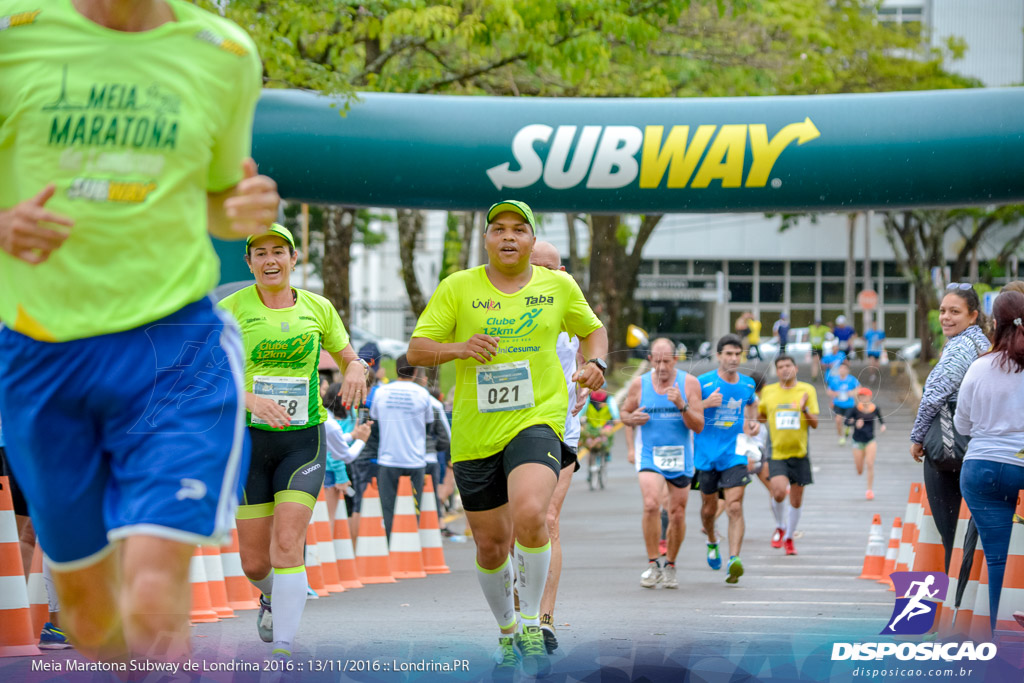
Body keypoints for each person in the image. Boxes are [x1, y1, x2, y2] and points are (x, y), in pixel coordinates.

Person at [0, 0, 281, 664]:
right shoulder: (14, 33)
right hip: (43, 352)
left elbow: (219, 196)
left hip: (172, 346)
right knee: (93, 621)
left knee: (154, 602)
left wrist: (241, 209)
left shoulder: (224, 52)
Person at [407, 199, 607, 679]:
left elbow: (593, 332)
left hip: (537, 417)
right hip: (477, 430)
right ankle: (507, 631)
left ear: (532, 240)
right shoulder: (459, 287)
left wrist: (595, 365)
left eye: (520, 229)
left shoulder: (558, 286)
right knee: (492, 546)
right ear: (487, 239)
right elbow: (417, 348)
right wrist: (459, 348)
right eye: (499, 229)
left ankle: (535, 622)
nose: (509, 237)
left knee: (533, 513)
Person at [219, 224, 368, 660]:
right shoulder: (228, 310)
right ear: (249, 263)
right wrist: (247, 397)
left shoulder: (319, 308)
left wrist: (356, 365)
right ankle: (271, 596)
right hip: (248, 443)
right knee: (255, 563)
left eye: (278, 252)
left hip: (303, 441)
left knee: (288, 542)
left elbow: (345, 354)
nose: (270, 260)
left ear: (294, 258)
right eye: (260, 253)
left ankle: (283, 648)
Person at [528, 240, 587, 655]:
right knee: (515, 524)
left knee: (548, 518)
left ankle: (545, 618)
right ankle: (519, 608)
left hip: (562, 425)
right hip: (511, 423)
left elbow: (590, 347)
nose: (547, 277)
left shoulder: (571, 304)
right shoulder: (503, 305)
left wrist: (587, 376)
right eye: (538, 269)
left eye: (553, 270)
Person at [954, 290, 1024, 630]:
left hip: (981, 470)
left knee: (998, 558)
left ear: (994, 324)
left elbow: (962, 424)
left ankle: (1002, 638)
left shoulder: (979, 367)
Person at [910, 283, 990, 572]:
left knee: (951, 531)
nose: (946, 317)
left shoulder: (961, 346)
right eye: (943, 310)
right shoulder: (983, 344)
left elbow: (934, 395)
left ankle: (955, 603)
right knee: (971, 532)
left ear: (973, 315)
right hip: (977, 445)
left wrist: (917, 438)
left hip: (949, 449)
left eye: (955, 311)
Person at [620, 338, 705, 589]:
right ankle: (653, 563)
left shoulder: (689, 383)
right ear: (650, 360)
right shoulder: (639, 385)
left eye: (666, 361)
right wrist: (631, 418)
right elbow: (625, 413)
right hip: (650, 455)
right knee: (650, 504)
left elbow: (698, 425)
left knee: (677, 514)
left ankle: (670, 564)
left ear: (675, 360)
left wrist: (682, 405)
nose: (661, 367)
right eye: (656, 361)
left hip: (681, 456)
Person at [694, 335, 759, 584]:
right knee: (709, 510)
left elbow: (752, 406)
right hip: (706, 455)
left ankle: (734, 559)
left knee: (734, 506)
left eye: (737, 354)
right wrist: (705, 403)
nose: (733, 359)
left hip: (735, 454)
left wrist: (752, 424)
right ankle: (712, 540)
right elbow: (686, 412)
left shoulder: (748, 384)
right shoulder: (703, 382)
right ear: (719, 356)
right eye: (728, 354)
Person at [759, 355, 819, 556]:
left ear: (796, 368)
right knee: (777, 491)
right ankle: (780, 525)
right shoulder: (768, 392)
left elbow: (815, 423)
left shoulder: (807, 390)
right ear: (777, 371)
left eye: (788, 366)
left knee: (796, 500)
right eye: (781, 367)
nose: (785, 369)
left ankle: (790, 537)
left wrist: (803, 409)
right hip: (776, 452)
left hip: (800, 453)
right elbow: (760, 416)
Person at [370, 354, 434, 537]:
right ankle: (412, 544)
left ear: (396, 369)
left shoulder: (381, 392)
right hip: (415, 460)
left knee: (388, 508)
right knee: (414, 509)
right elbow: (429, 423)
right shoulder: (422, 393)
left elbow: (375, 421)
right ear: (415, 372)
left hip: (388, 458)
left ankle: (392, 546)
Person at [846, 388, 885, 500]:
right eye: (861, 396)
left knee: (870, 464)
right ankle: (860, 460)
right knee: (859, 470)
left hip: (870, 440)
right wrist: (854, 423)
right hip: (857, 441)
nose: (863, 398)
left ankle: (869, 490)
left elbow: (880, 418)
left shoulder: (875, 408)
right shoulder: (854, 409)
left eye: (865, 396)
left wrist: (883, 425)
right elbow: (846, 421)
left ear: (870, 397)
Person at [581, 390, 620, 491]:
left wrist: (616, 418)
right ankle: (590, 468)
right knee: (589, 444)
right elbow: (582, 410)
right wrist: (579, 418)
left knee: (606, 440)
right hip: (591, 426)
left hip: (605, 425)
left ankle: (606, 453)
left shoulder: (609, 399)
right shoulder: (588, 398)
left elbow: (614, 411)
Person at [826, 361, 860, 445]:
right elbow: (829, 391)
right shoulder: (834, 379)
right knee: (838, 420)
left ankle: (847, 429)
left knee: (849, 421)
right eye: (840, 368)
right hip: (838, 404)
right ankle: (841, 437)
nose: (842, 370)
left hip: (849, 404)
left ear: (848, 370)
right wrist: (835, 394)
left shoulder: (852, 379)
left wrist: (852, 393)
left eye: (844, 368)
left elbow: (859, 388)